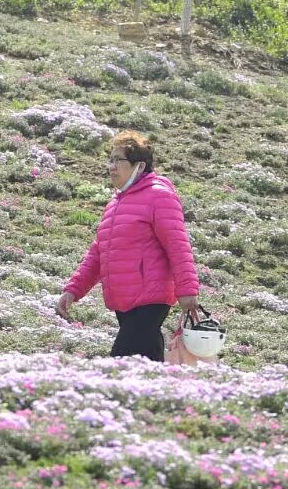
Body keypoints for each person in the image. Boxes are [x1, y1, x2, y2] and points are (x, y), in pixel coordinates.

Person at [58, 132, 202, 361]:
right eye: (111, 160)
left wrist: (187, 290)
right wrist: (74, 289)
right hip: (124, 301)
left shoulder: (159, 196)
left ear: (140, 165)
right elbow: (99, 251)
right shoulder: (116, 202)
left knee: (122, 362)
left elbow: (178, 245)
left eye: (119, 160)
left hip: (149, 299)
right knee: (146, 365)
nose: (112, 167)